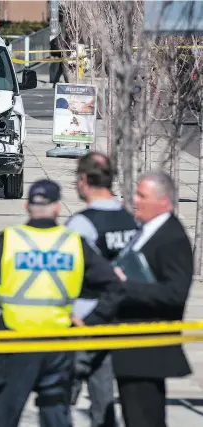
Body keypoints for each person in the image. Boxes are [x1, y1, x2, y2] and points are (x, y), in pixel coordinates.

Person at [0, 179, 124, 427]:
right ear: (57, 208)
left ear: (27, 207)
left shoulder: (9, 240)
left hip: (15, 343)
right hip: (58, 344)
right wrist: (89, 322)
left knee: (3, 415)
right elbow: (114, 287)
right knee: (55, 415)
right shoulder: (73, 243)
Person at [112, 171, 194, 427]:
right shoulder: (145, 230)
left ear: (164, 200)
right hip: (131, 349)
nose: (134, 199)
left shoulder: (173, 237)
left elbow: (175, 293)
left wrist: (126, 286)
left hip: (148, 350)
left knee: (145, 419)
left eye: (141, 195)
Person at [66, 152, 139, 427]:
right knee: (103, 399)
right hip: (116, 319)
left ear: (83, 180)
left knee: (60, 399)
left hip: (83, 319)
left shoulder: (81, 225)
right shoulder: (130, 223)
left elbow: (67, 274)